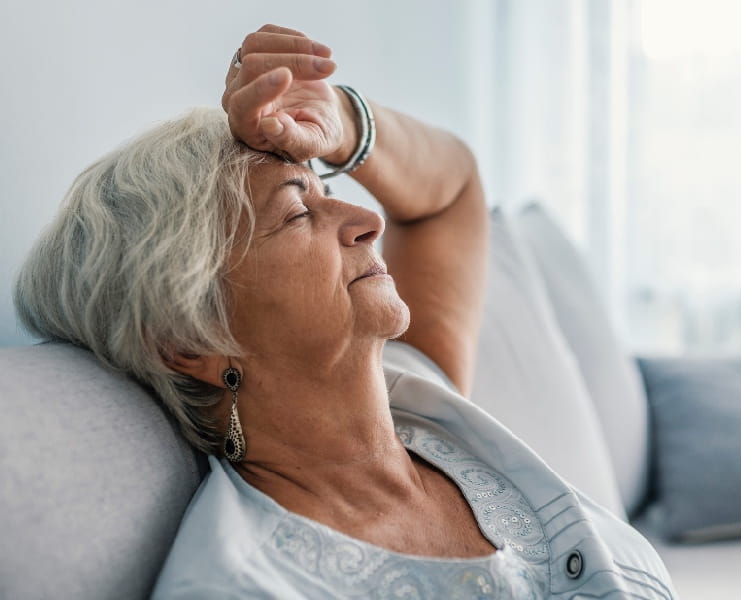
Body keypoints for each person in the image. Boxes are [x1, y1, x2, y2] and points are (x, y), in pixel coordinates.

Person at [15, 24, 677, 599]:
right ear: (190, 337)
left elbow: (450, 191)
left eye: (328, 188)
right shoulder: (249, 586)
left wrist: (342, 123)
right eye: (298, 210)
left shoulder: (423, 396)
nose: (365, 218)